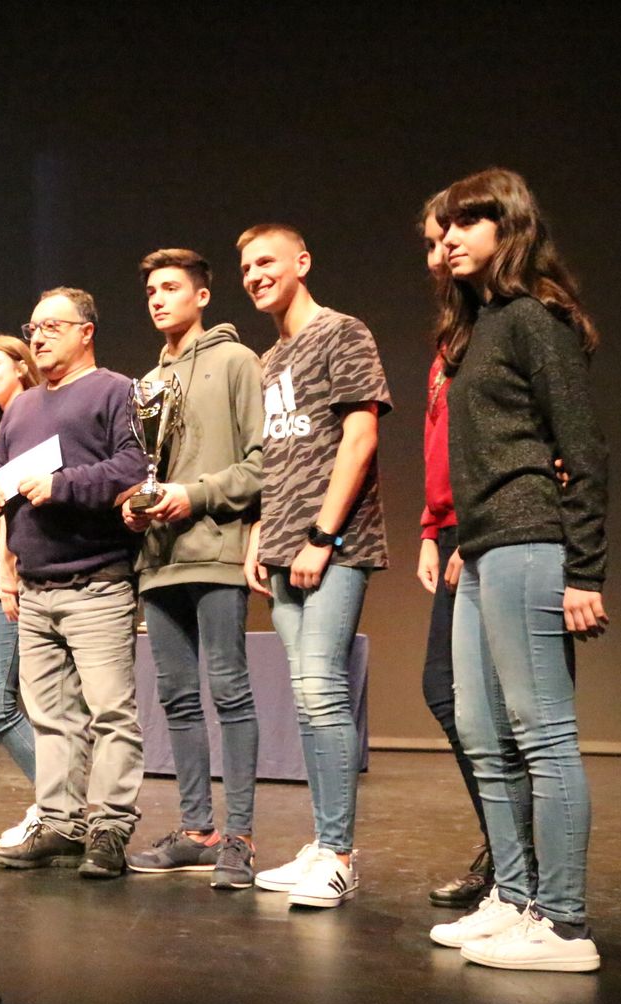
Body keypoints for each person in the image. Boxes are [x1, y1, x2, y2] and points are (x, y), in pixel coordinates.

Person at [425, 168, 608, 972]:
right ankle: (516, 895)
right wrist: (462, 541)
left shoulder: (536, 317)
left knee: (543, 732)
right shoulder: (479, 328)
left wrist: (586, 571)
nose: (450, 239)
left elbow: (584, 450)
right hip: (481, 545)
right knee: (479, 728)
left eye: (469, 223)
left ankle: (565, 924)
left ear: (510, 227)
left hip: (532, 541)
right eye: (445, 229)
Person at [238, 225, 392, 908]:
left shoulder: (343, 332)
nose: (255, 275)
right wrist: (261, 533)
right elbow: (276, 457)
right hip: (283, 548)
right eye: (246, 267)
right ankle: (323, 842)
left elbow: (359, 436)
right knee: (307, 694)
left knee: (323, 688)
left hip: (333, 544)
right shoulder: (271, 358)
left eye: (266, 261)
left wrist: (321, 536)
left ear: (303, 262)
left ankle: (338, 853)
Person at [0, 287, 148, 879]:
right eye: (33, 325)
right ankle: (61, 822)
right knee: (50, 716)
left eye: (52, 325)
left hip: (96, 579)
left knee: (110, 712)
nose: (39, 335)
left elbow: (133, 465)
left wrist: (65, 484)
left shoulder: (115, 390)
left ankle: (111, 828)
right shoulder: (22, 408)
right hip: (38, 586)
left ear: (86, 331)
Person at [121, 249, 265, 889]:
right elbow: (143, 471)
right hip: (159, 559)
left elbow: (262, 463)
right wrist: (136, 505)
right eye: (151, 289)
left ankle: (239, 837)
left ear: (202, 296)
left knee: (229, 691)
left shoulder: (237, 361)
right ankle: (198, 830)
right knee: (177, 699)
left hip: (216, 549)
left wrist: (195, 495)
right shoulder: (146, 383)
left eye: (171, 288)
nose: (157, 299)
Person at [413, 196, 494, 908]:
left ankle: (514, 853)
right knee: (448, 692)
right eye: (435, 241)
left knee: (470, 698)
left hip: (486, 531)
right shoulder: (452, 340)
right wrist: (429, 527)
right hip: (450, 530)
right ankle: (505, 846)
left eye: (444, 239)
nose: (436, 253)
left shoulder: (498, 333)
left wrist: (470, 528)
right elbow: (442, 446)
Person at [0, 335, 44, 848]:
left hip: (25, 581)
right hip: (13, 579)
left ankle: (59, 799)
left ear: (23, 366)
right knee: (3, 698)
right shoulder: (7, 424)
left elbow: (23, 515)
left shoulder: (31, 417)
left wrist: (8, 581)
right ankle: (58, 798)